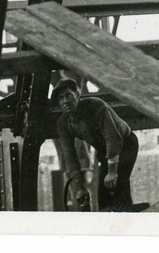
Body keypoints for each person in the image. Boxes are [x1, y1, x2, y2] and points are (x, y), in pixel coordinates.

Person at [51, 78, 147, 212]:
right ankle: (113, 215)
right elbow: (69, 156)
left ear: (77, 95)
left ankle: (125, 213)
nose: (65, 101)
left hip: (125, 144)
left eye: (68, 95)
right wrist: (79, 186)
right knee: (103, 196)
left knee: (117, 184)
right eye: (61, 99)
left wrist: (112, 171)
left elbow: (112, 137)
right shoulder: (64, 123)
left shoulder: (96, 106)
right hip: (103, 150)